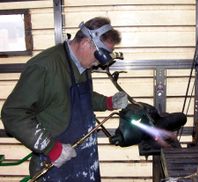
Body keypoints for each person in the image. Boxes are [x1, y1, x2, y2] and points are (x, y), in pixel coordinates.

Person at [1, 17, 128, 182]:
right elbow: (13, 114)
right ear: (86, 43)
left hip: (84, 159)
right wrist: (51, 148)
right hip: (53, 166)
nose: (98, 63)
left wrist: (108, 102)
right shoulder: (45, 67)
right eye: (99, 56)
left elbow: (79, 96)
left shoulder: (82, 64)